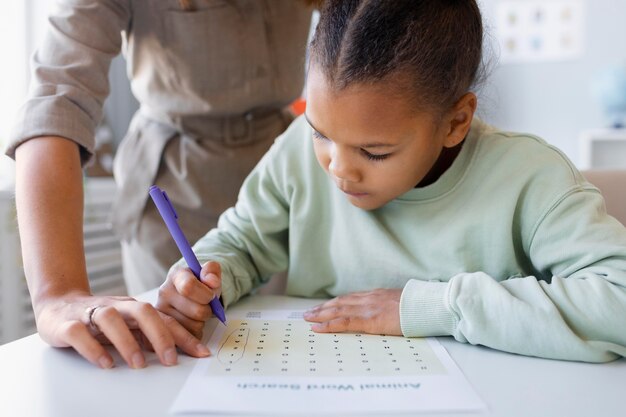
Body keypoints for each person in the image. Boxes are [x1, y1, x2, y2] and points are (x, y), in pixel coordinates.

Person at [157, 0, 626, 363]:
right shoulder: (297, 152)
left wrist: (430, 306)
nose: (338, 168)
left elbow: (618, 300)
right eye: (321, 133)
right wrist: (203, 279)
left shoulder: (530, 177)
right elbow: (242, 242)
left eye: (375, 152)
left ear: (456, 121)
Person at [5, 0, 317, 369]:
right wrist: (57, 294)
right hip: (174, 189)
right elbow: (57, 98)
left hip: (288, 179)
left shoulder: (293, 170)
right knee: (176, 358)